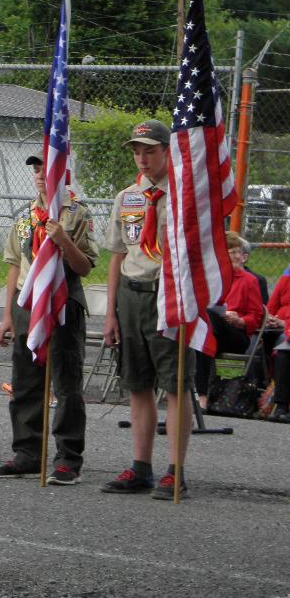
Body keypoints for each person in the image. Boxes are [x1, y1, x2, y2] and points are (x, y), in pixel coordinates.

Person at [0, 155, 97, 485]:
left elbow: (85, 266)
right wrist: (8, 314)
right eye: (36, 170)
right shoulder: (25, 218)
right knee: (25, 381)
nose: (39, 175)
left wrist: (63, 240)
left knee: (66, 382)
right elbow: (14, 265)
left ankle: (67, 457)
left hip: (62, 303)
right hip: (28, 304)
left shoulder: (78, 214)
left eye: (46, 169)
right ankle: (28, 452)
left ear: (62, 173)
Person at [101, 119, 193, 500]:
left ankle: (176, 470)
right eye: (137, 151)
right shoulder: (129, 197)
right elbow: (118, 255)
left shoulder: (185, 195)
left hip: (168, 294)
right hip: (132, 294)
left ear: (167, 151)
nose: (142, 158)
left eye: (149, 150)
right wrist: (110, 313)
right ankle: (141, 467)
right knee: (137, 384)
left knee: (174, 384)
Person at [196, 231, 263, 410]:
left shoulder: (249, 281)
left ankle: (200, 396)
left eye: (235, 252)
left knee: (206, 326)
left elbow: (256, 317)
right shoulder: (211, 279)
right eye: (229, 252)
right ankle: (201, 395)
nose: (233, 256)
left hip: (236, 335)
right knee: (203, 338)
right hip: (212, 333)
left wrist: (240, 320)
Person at [263, 265, 290, 423]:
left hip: (285, 328)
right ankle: (279, 406)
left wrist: (284, 324)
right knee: (261, 340)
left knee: (283, 346)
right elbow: (272, 305)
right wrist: (270, 318)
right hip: (280, 326)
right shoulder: (287, 274)